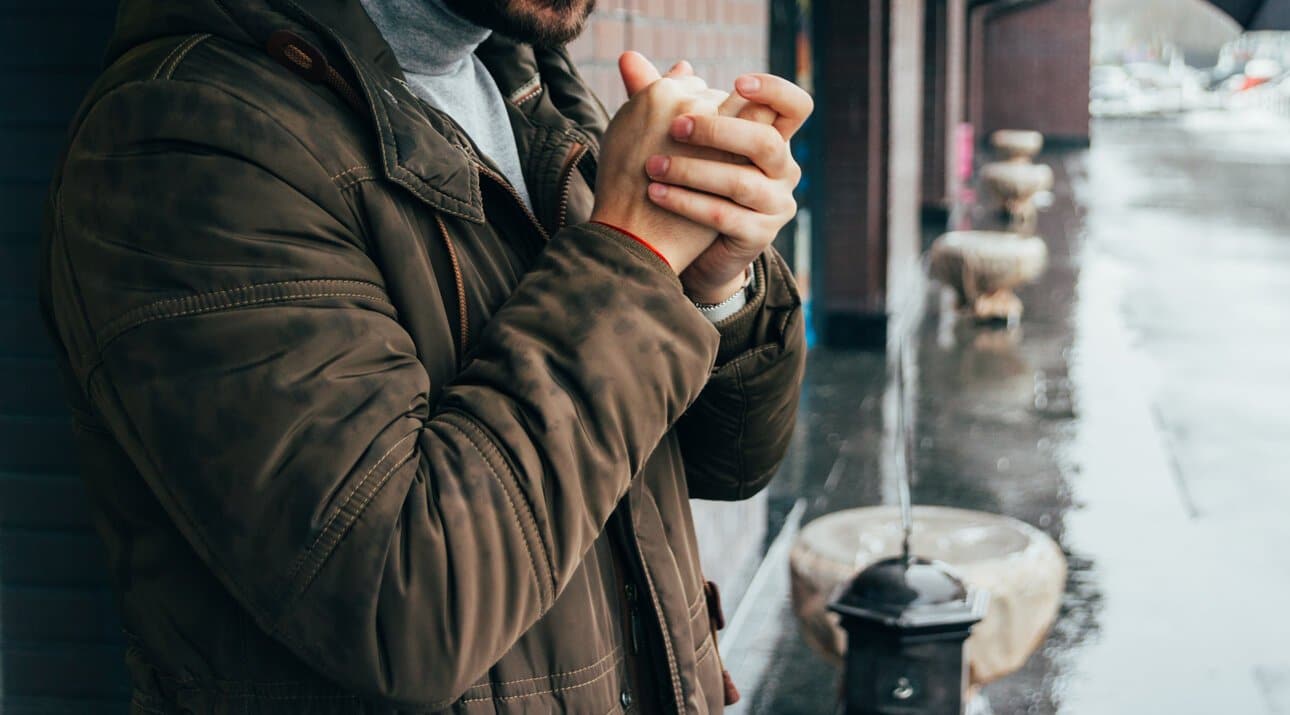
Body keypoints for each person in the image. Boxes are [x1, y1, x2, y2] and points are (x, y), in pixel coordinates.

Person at [38, 0, 810, 711]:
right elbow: (404, 606)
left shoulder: (531, 84)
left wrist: (717, 284)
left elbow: (728, 461)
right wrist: (635, 254)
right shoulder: (184, 139)